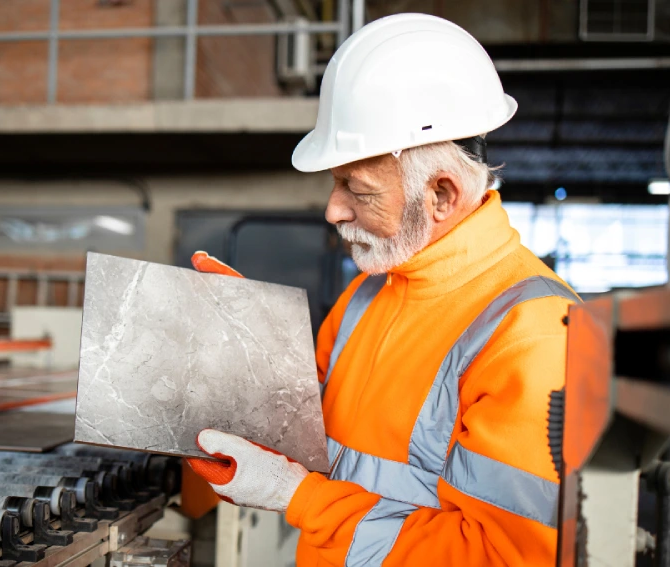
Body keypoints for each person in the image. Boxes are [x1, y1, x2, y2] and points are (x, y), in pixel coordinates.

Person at [186, 13, 580, 566]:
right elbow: (302, 430)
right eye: (335, 184)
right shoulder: (367, 296)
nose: (333, 210)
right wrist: (255, 344)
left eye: (358, 189)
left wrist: (298, 497)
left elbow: (502, 556)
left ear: (441, 195)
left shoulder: (534, 337)